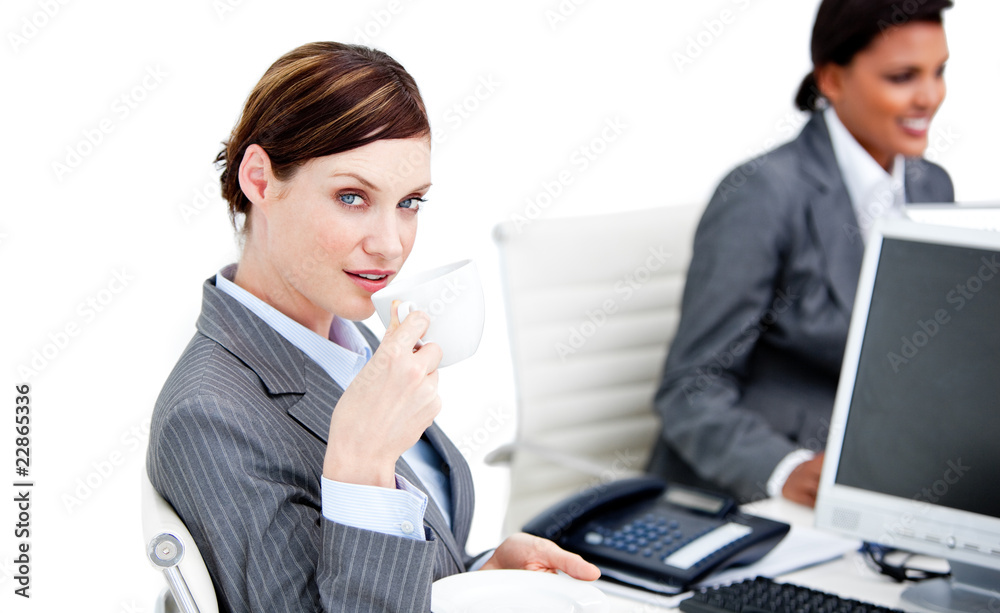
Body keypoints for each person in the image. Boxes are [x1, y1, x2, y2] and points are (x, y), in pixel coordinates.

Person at [146, 42, 599, 612]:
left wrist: (475, 576)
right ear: (260, 180)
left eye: (409, 203)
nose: (390, 246)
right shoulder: (210, 416)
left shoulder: (343, 339)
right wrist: (361, 465)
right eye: (352, 196)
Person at [647, 0, 954, 508]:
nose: (929, 97)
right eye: (902, 77)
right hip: (750, 494)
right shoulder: (761, 194)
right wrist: (783, 469)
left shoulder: (931, 186)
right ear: (831, 79)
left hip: (882, 477)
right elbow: (690, 387)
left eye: (938, 72)